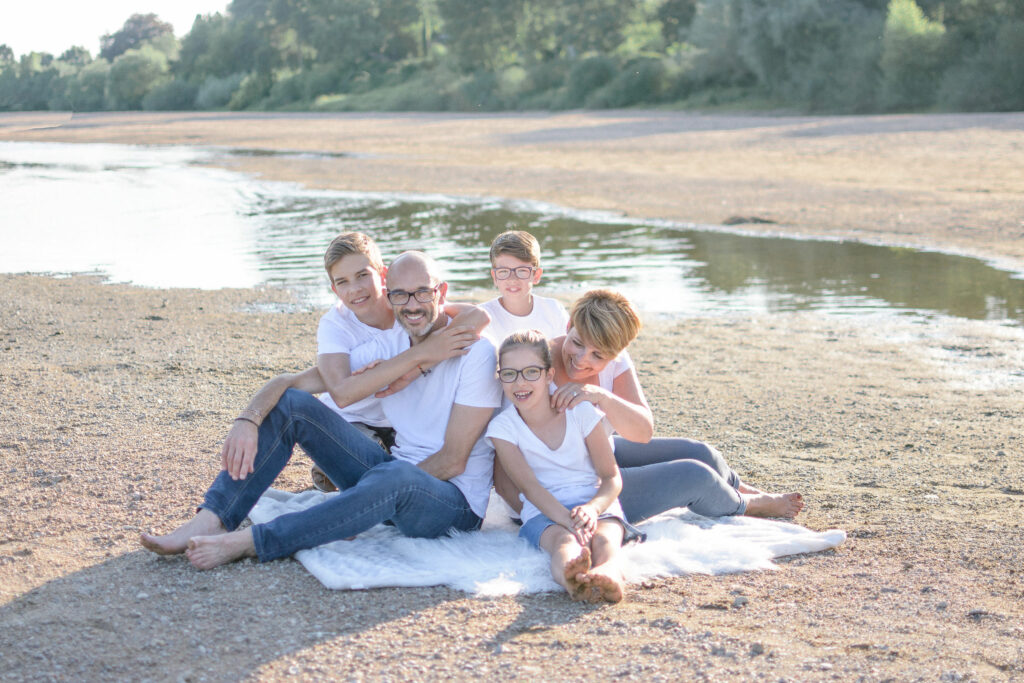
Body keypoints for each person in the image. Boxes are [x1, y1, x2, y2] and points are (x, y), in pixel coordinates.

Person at [140, 251, 502, 569]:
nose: (411, 305)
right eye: (401, 294)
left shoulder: (476, 354)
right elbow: (296, 384)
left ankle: (255, 542)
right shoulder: (389, 344)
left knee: (393, 478)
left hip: (451, 504)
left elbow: (453, 460)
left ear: (441, 292)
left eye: (422, 292)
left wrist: (365, 501)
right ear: (388, 296)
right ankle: (215, 517)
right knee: (295, 407)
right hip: (392, 477)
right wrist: (247, 419)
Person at [494, 289, 804, 524]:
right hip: (571, 487)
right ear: (570, 323)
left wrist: (599, 396)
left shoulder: (616, 362)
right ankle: (748, 505)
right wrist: (531, 511)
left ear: (616, 353)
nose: (582, 359)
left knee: (702, 452)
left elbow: (642, 432)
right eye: (577, 342)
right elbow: (504, 440)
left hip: (602, 455)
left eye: (598, 356)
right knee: (693, 476)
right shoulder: (539, 362)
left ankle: (739, 489)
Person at [486, 330, 641, 603]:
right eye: (510, 374)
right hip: (543, 510)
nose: (520, 382)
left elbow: (611, 477)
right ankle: (572, 579)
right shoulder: (503, 429)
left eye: (531, 372)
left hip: (594, 503)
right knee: (564, 543)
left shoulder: (581, 412)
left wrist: (592, 509)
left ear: (549, 375)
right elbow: (530, 488)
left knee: (604, 541)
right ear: (501, 378)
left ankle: (610, 574)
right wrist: (567, 520)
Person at [480, 230, 569, 345]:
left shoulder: (553, 310)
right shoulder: (484, 316)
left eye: (522, 271)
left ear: (536, 275)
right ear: (495, 277)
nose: (512, 279)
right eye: (503, 271)